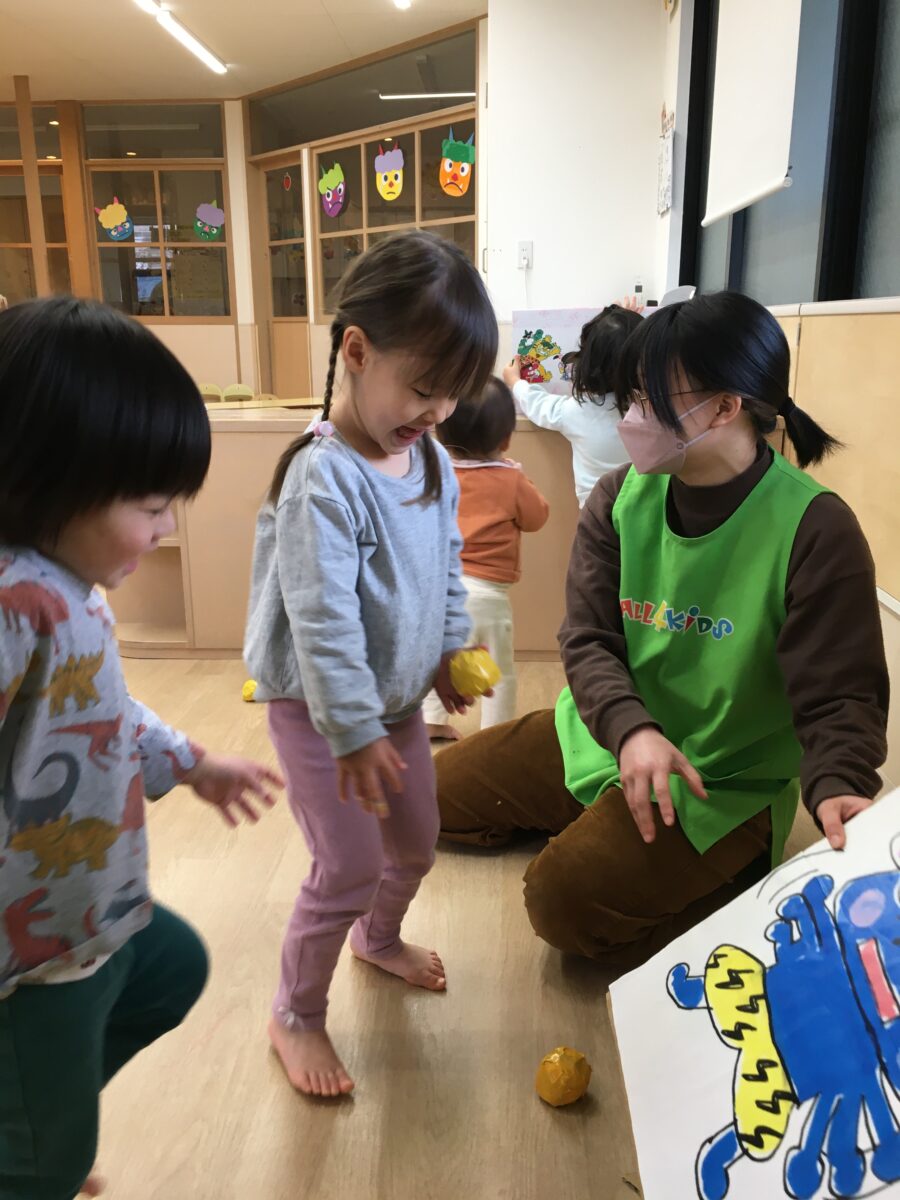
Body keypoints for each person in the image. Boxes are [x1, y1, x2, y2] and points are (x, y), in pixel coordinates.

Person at [437, 290, 888, 973]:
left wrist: (838, 783)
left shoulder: (816, 529)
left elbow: (840, 693)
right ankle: (609, 825)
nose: (631, 419)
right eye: (633, 398)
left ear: (726, 406)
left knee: (561, 903)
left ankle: (719, 867)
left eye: (649, 400)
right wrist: (630, 731)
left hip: (719, 782)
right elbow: (588, 638)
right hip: (605, 735)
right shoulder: (620, 497)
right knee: (425, 797)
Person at [0, 297, 282, 1200]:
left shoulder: (68, 584)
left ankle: (34, 1126)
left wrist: (191, 762)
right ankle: (33, 1154)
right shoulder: (15, 599)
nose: (165, 528)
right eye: (152, 506)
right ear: (47, 480)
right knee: (46, 1162)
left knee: (172, 971)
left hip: (91, 912)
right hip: (33, 952)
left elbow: (101, 705)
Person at [244, 231, 497, 1097]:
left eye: (453, 394)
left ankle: (377, 938)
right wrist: (352, 732)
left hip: (390, 706)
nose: (437, 411)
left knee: (416, 844)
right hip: (324, 715)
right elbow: (321, 621)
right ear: (356, 350)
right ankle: (295, 1014)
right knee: (347, 867)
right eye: (424, 388)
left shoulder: (429, 458)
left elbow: (445, 568)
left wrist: (452, 646)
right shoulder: (322, 477)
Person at [422, 377, 549, 738]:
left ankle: (430, 720)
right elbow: (537, 517)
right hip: (488, 595)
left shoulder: (435, 473)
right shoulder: (509, 480)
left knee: (440, 659)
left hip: (441, 588)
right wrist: (520, 476)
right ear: (505, 439)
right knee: (499, 668)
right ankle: (496, 734)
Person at [502, 303, 642, 507]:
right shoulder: (653, 409)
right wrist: (628, 325)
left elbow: (538, 404)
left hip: (595, 514)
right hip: (644, 511)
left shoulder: (577, 411)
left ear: (588, 362)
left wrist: (514, 381)